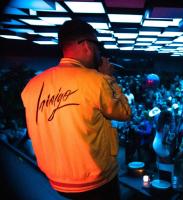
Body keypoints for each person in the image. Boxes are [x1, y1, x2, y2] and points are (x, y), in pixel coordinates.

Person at [21, 19, 131, 200]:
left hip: (55, 182)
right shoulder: (97, 80)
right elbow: (125, 113)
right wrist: (109, 79)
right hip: (97, 182)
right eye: (97, 46)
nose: (99, 52)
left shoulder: (32, 85)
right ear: (87, 45)